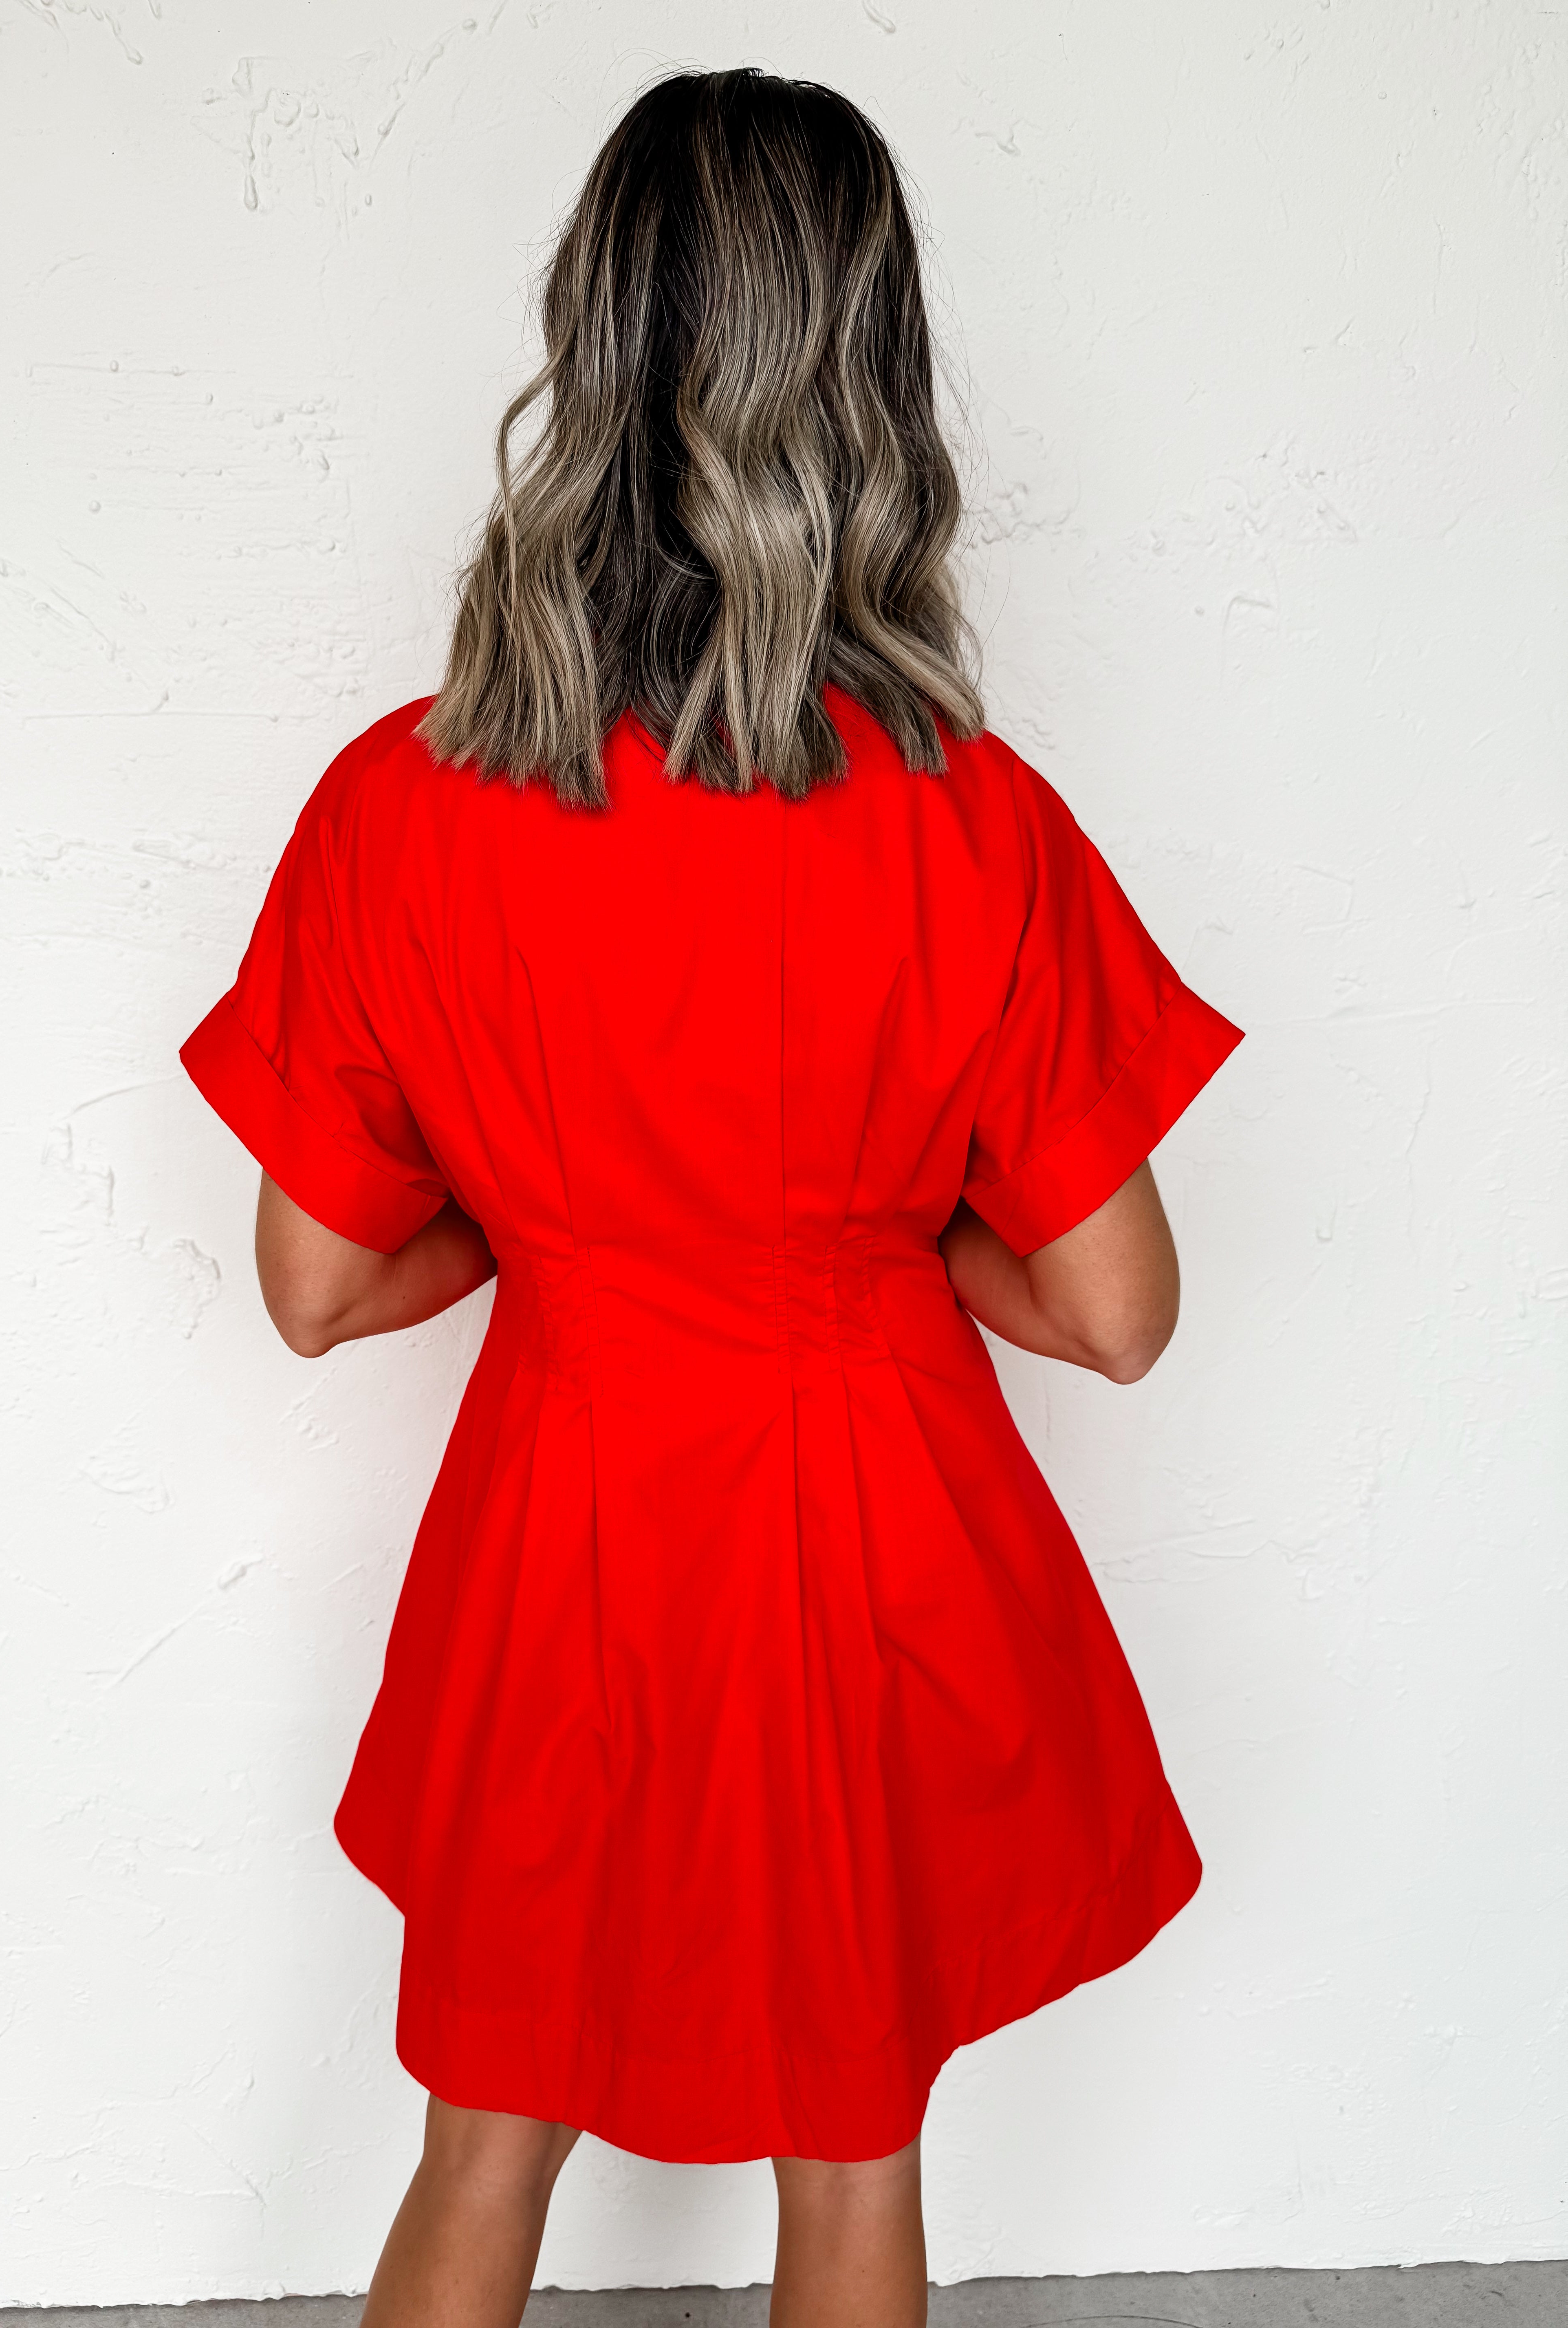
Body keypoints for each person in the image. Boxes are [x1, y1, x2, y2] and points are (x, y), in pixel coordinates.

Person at [179, 66, 1242, 2328]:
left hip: (553, 1532)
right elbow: (1120, 1308)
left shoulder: (399, 805)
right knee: (849, 2171)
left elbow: (316, 1281)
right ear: (872, 386)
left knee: (482, 2143)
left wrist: (544, 1228)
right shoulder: (974, 818)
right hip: (865, 1540)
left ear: (592, 347)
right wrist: (878, 1245)